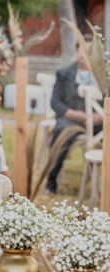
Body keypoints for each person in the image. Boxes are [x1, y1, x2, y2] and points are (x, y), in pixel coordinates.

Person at [46, 42, 103, 194]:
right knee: (63, 131)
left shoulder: (104, 75)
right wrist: (74, 114)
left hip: (99, 121)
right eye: (83, 50)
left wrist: (101, 116)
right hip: (72, 119)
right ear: (76, 51)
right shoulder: (64, 73)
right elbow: (55, 102)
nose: (86, 54)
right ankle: (52, 180)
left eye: (90, 51)